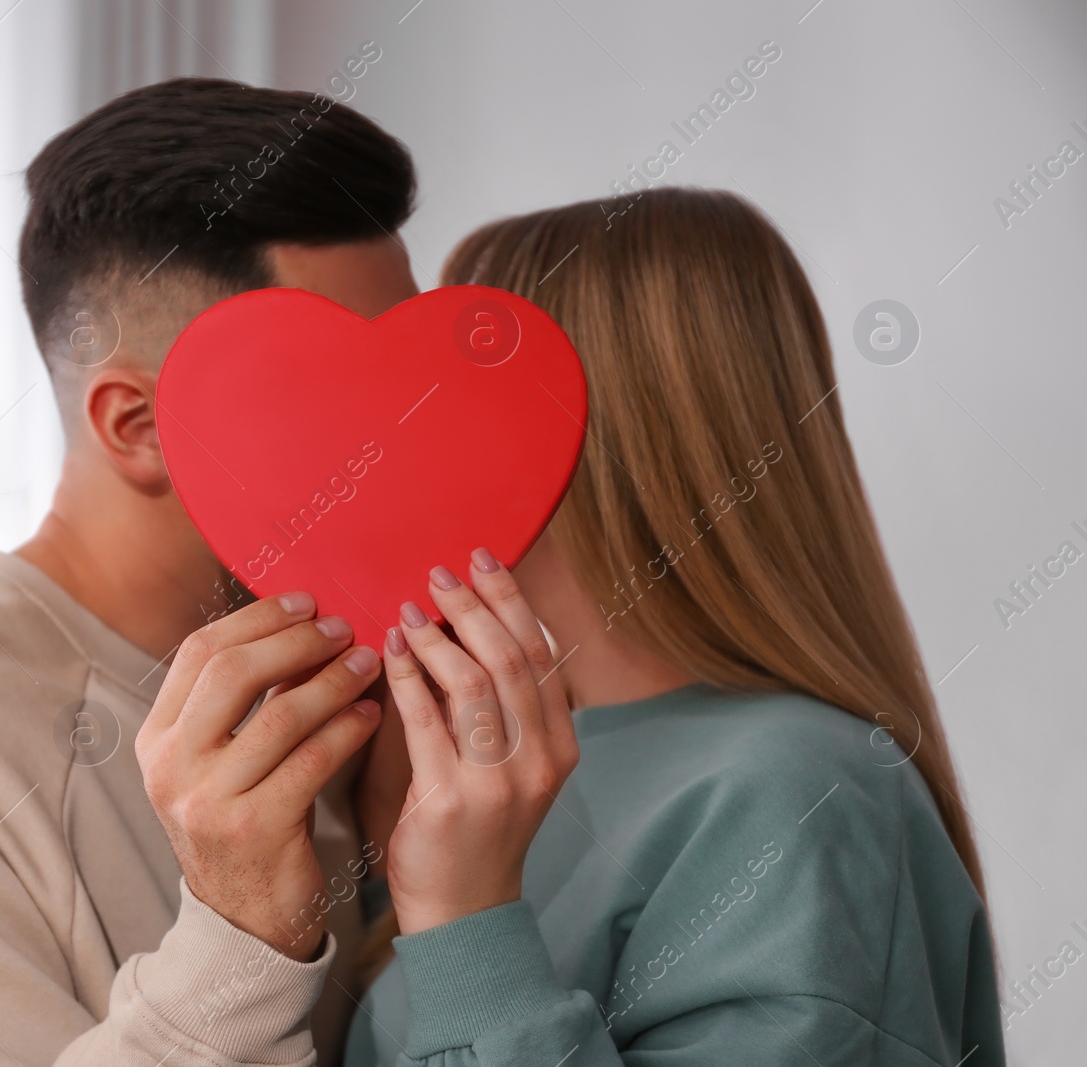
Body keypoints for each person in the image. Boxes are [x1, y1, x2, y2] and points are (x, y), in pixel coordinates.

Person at [0, 76, 420, 1067]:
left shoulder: (322, 678)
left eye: (403, 374)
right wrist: (239, 938)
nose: (403, 438)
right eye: (338, 392)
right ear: (139, 428)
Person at [331, 188, 1004, 1064]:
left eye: (440, 385)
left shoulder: (801, 793)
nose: (393, 436)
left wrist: (466, 922)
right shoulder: (525, 762)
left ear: (583, 435)